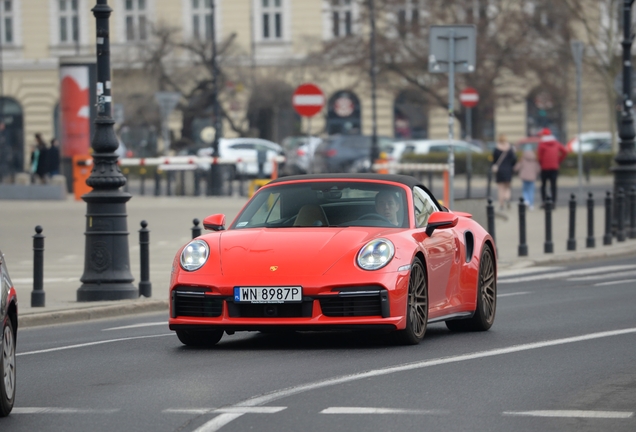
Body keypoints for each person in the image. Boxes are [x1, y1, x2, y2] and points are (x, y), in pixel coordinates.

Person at [537, 127, 567, 208]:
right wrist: (559, 160)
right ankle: (553, 202)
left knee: (543, 185)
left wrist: (541, 163)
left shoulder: (542, 144)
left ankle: (544, 202)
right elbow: (564, 151)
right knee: (553, 185)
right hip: (554, 167)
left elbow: (539, 157)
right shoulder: (556, 143)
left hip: (544, 168)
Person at [491, 134, 517, 210]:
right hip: (508, 170)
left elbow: (494, 160)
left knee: (500, 188)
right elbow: (514, 160)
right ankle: (507, 198)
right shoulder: (510, 149)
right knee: (507, 187)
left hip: (500, 171)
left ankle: (501, 205)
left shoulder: (496, 149)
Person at [514, 144, 541, 210]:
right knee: (531, 191)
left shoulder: (523, 158)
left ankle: (526, 201)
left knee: (525, 190)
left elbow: (517, 167)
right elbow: (538, 169)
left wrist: (514, 169)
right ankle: (531, 205)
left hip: (524, 177)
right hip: (532, 177)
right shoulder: (534, 158)